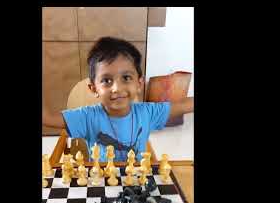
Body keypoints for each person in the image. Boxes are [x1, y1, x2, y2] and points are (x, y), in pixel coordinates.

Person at [42, 36, 194, 162]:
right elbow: (47, 117)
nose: (117, 88)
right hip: (101, 183)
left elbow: (183, 105)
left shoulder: (148, 112)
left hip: (137, 183)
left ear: (139, 83)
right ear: (94, 89)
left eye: (126, 78)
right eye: (106, 80)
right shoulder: (87, 117)